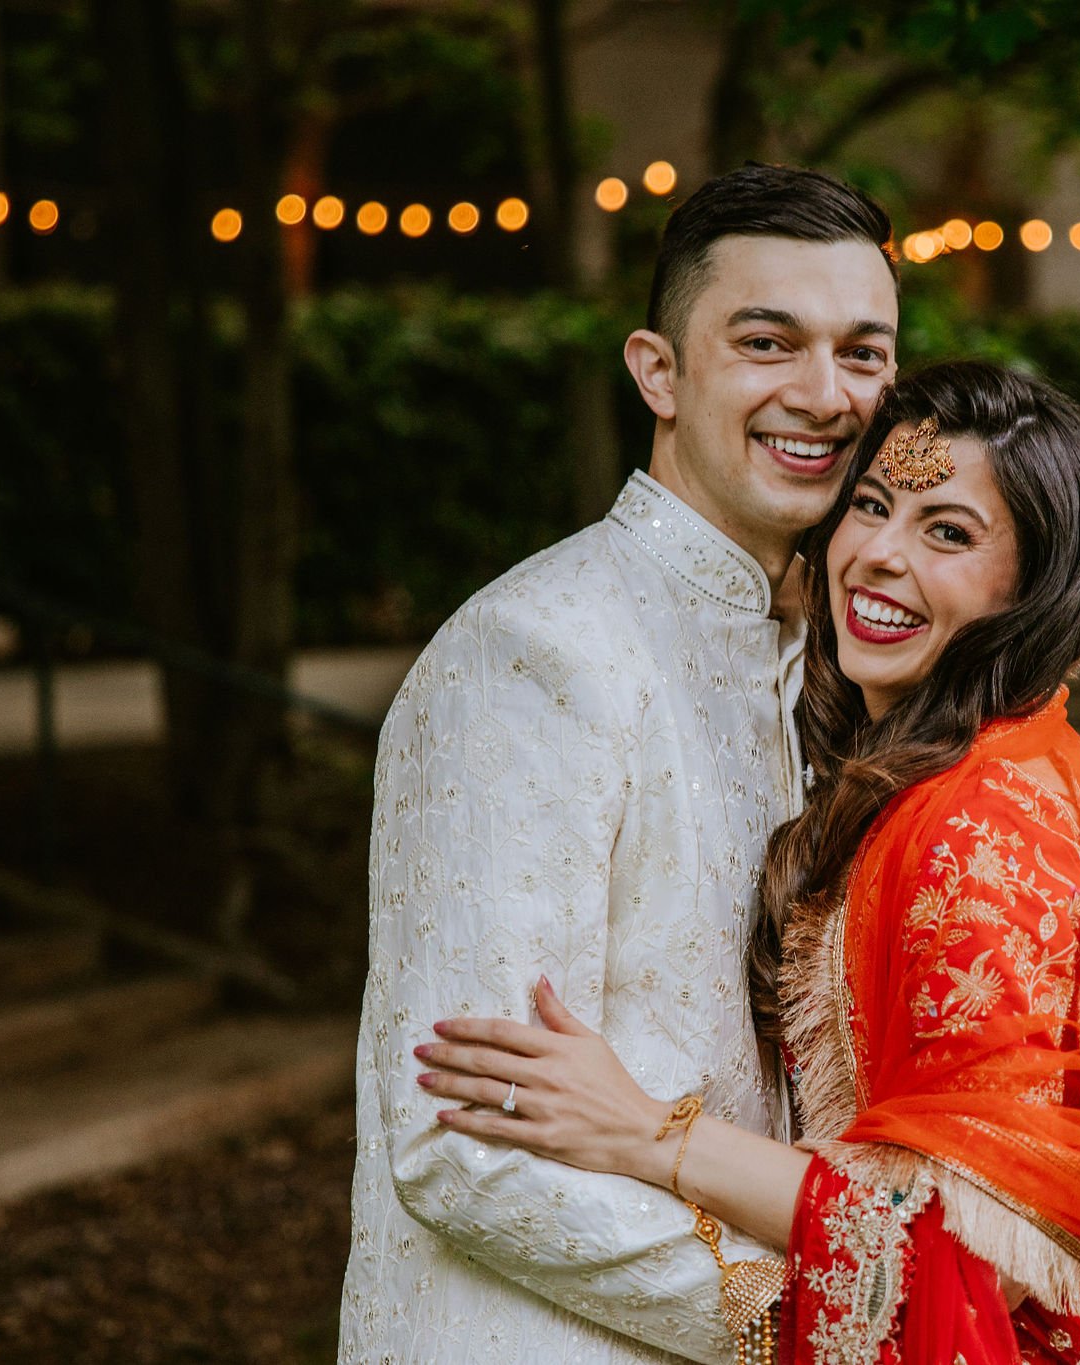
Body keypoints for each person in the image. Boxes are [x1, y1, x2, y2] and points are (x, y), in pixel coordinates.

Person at [413, 362, 1080, 1363]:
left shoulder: (975, 831)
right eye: (868, 505)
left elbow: (954, 1238)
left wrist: (649, 1135)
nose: (877, 554)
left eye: (947, 533)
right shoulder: (963, 766)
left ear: (1030, 590)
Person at [338, 164, 901, 1365]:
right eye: (767, 341)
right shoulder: (536, 650)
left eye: (863, 353)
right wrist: (821, 1320)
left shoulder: (827, 657)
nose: (824, 393)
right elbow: (463, 1144)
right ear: (658, 370)